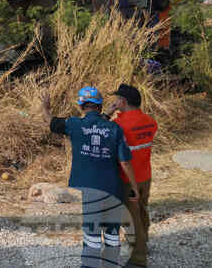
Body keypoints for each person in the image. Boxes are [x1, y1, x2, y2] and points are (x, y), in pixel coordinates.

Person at [43, 86, 138, 268]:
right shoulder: (114, 129)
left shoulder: (73, 125)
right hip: (113, 190)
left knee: (92, 232)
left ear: (81, 106)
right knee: (111, 231)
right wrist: (134, 187)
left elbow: (51, 122)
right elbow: (125, 162)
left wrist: (45, 108)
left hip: (91, 191)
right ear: (100, 106)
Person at [106, 84, 158, 267]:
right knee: (142, 212)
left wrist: (107, 114)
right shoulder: (151, 122)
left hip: (128, 180)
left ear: (123, 101)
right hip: (146, 176)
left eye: (117, 99)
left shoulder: (119, 125)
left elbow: (103, 132)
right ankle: (144, 244)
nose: (115, 102)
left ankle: (138, 259)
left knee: (131, 218)